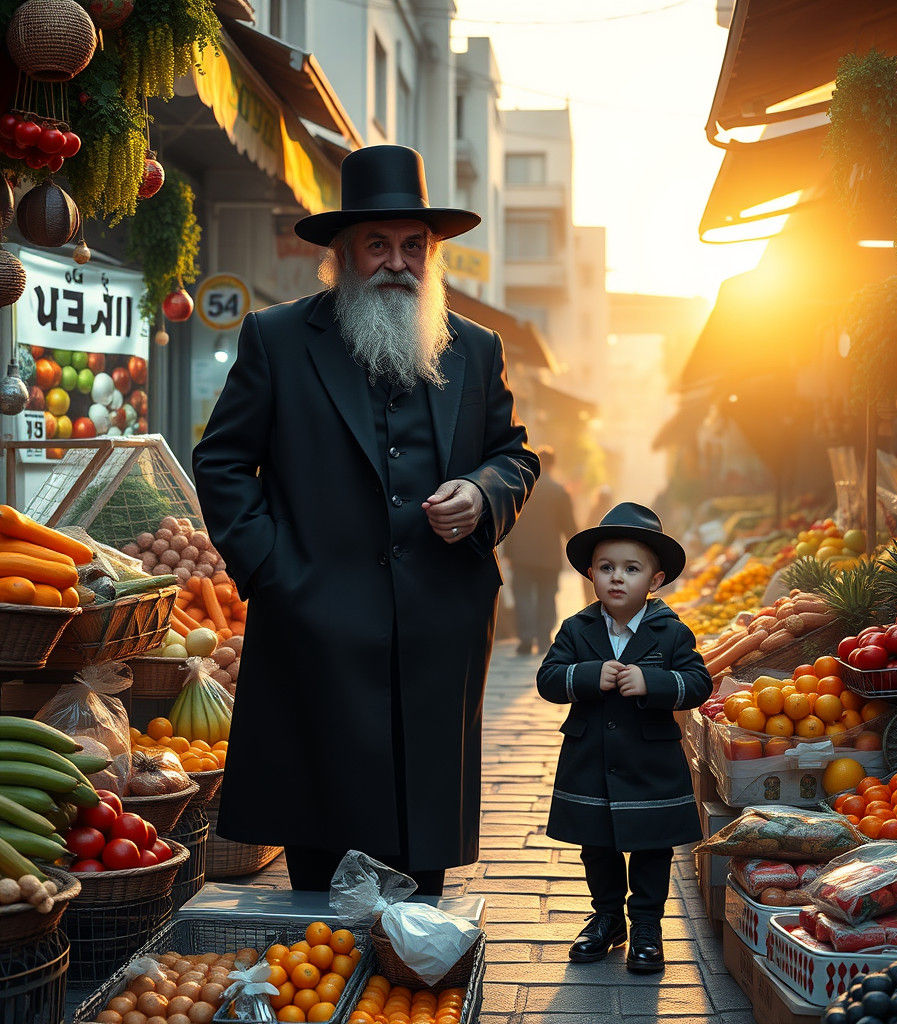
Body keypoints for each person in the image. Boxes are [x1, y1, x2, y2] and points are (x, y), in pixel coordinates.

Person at [192, 145, 540, 894]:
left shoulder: (476, 350)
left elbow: (515, 455)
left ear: (432, 255)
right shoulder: (278, 339)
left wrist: (484, 494)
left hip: (437, 630)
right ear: (344, 254)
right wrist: (274, 574)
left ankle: (413, 976)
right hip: (314, 625)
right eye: (377, 244)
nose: (397, 262)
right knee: (320, 850)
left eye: (413, 246)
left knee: (423, 859)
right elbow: (221, 462)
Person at [536, 503, 713, 973]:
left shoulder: (670, 632)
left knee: (653, 848)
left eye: (631, 569)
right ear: (591, 573)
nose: (617, 578)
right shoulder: (577, 629)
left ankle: (648, 926)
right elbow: (549, 679)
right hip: (590, 760)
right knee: (597, 846)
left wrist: (653, 684)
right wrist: (588, 674)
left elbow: (698, 684)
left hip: (650, 764)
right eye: (607, 568)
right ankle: (608, 918)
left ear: (654, 580)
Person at [504, 445, 577, 655]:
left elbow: (510, 521)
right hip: (549, 556)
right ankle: (544, 638)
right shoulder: (559, 491)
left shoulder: (522, 488)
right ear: (553, 464)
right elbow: (569, 526)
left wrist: (509, 552)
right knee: (547, 595)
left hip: (522, 555)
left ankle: (526, 637)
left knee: (523, 596)